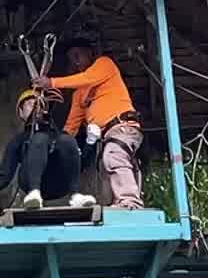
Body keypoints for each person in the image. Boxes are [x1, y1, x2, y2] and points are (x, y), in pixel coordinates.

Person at [36, 29, 144, 209]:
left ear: (90, 54)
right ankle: (119, 204)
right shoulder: (79, 94)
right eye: (71, 58)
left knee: (115, 156)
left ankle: (130, 201)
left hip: (122, 126)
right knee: (106, 166)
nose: (75, 61)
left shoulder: (104, 64)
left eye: (78, 55)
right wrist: (57, 147)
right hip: (105, 136)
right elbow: (71, 127)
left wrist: (51, 83)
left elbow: (87, 78)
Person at [0, 87, 94, 213]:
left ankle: (75, 195)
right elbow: (4, 178)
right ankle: (34, 192)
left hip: (59, 183)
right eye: (29, 104)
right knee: (40, 139)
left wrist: (90, 143)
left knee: (67, 140)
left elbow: (78, 164)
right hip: (29, 181)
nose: (34, 107)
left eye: (38, 104)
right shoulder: (18, 140)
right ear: (21, 112)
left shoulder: (58, 137)